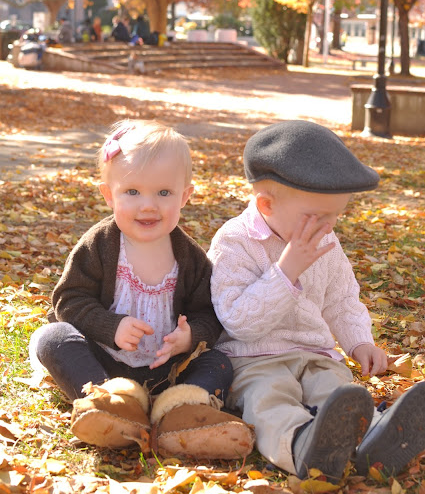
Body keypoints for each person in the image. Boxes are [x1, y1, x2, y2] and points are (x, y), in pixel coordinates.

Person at [208, 120, 425, 483]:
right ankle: (301, 445)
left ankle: (374, 439)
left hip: (315, 353)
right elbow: (237, 321)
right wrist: (286, 271)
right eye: (319, 216)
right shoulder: (235, 242)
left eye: (336, 215)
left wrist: (359, 341)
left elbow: (341, 298)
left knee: (338, 392)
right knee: (269, 401)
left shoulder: (327, 240)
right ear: (266, 205)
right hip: (254, 359)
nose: (329, 226)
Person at [30, 120, 254, 458]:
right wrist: (112, 326)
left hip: (168, 372)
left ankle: (183, 414)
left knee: (219, 361)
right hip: (104, 363)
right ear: (109, 195)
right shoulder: (99, 245)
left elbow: (209, 312)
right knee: (53, 338)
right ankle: (108, 406)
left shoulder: (190, 258)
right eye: (132, 192)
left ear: (185, 196)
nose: (148, 205)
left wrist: (190, 337)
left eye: (164, 193)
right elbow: (69, 299)